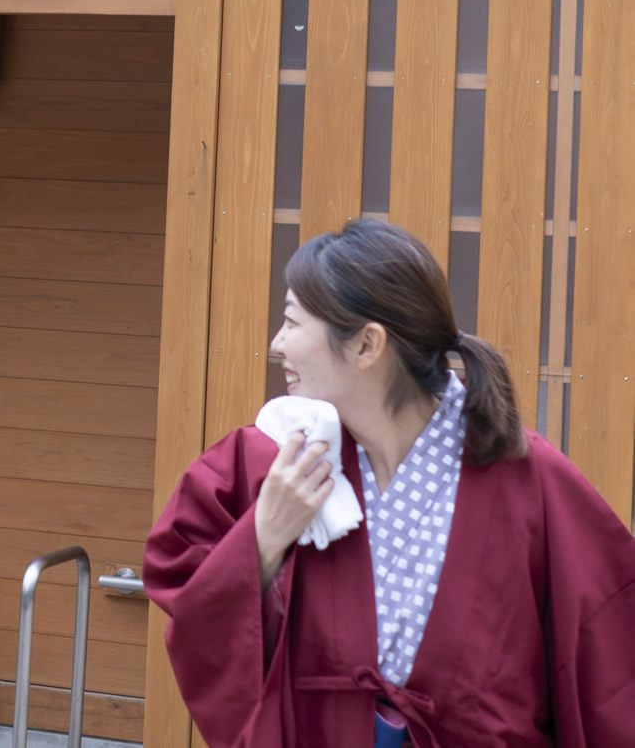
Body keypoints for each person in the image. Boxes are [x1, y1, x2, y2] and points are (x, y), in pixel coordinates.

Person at [143, 219, 635, 748]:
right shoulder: (274, 460)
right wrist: (262, 539)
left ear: (365, 345)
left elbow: (608, 646)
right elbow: (187, 586)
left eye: (292, 322)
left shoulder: (526, 475)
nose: (277, 343)